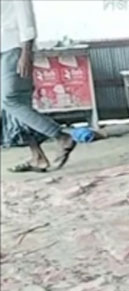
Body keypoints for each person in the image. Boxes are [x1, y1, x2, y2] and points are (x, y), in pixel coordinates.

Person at [1, 0, 75, 173]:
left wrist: (26, 52)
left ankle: (61, 136)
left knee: (11, 99)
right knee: (12, 110)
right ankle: (38, 157)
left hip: (14, 47)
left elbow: (26, 17)